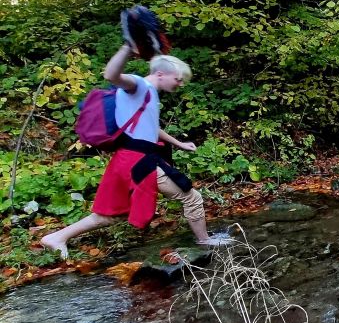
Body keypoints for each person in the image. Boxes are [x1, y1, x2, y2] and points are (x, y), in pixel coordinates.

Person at [40, 43, 224, 258]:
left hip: (127, 160)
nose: (181, 83)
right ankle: (205, 241)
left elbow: (150, 128)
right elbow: (111, 74)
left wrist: (179, 144)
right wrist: (128, 47)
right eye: (179, 78)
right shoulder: (139, 86)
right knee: (191, 197)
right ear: (161, 73)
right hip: (139, 163)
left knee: (108, 215)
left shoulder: (149, 95)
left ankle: (56, 237)